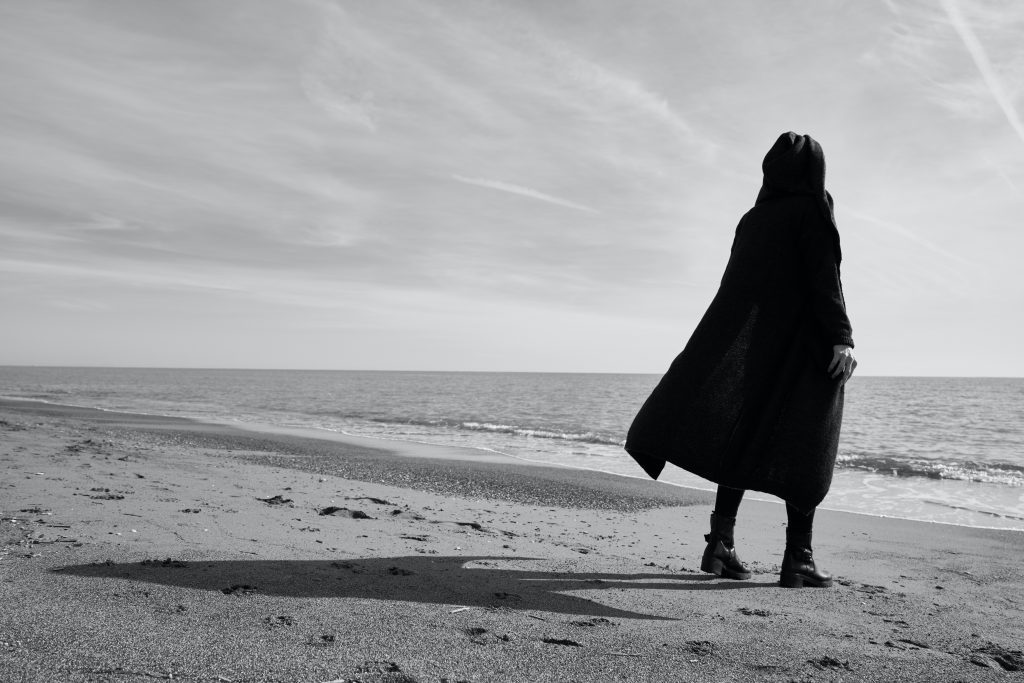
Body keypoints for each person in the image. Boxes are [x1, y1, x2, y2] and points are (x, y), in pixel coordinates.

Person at [624, 132, 856, 588]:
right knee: (807, 447)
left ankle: (721, 544)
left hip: (757, 353)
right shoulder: (813, 208)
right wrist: (841, 337)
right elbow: (824, 279)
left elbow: (735, 291)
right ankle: (799, 558)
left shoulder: (753, 219)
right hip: (806, 348)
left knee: (743, 438)